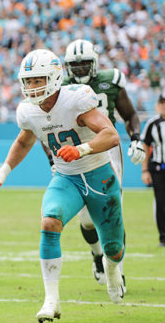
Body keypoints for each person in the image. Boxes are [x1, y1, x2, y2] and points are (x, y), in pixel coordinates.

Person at [0, 49, 126, 323]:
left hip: (99, 175)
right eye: (28, 81)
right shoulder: (28, 110)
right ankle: (51, 301)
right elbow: (24, 141)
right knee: (50, 222)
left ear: (53, 77)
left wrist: (82, 149)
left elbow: (110, 135)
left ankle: (111, 269)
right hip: (66, 178)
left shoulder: (76, 99)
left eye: (38, 80)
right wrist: (3, 172)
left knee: (114, 248)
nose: (32, 87)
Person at [41, 39, 143, 285]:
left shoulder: (110, 81)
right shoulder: (58, 88)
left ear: (95, 63)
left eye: (85, 63)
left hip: (106, 147)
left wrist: (136, 139)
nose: (80, 69)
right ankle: (97, 255)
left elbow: (129, 114)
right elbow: (44, 129)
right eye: (75, 65)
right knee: (86, 220)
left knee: (112, 209)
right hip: (73, 151)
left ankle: (115, 268)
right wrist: (52, 160)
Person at [141, 92, 165, 247]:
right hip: (158, 168)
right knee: (161, 202)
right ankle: (163, 237)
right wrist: (145, 170)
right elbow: (145, 145)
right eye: (162, 103)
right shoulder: (153, 123)